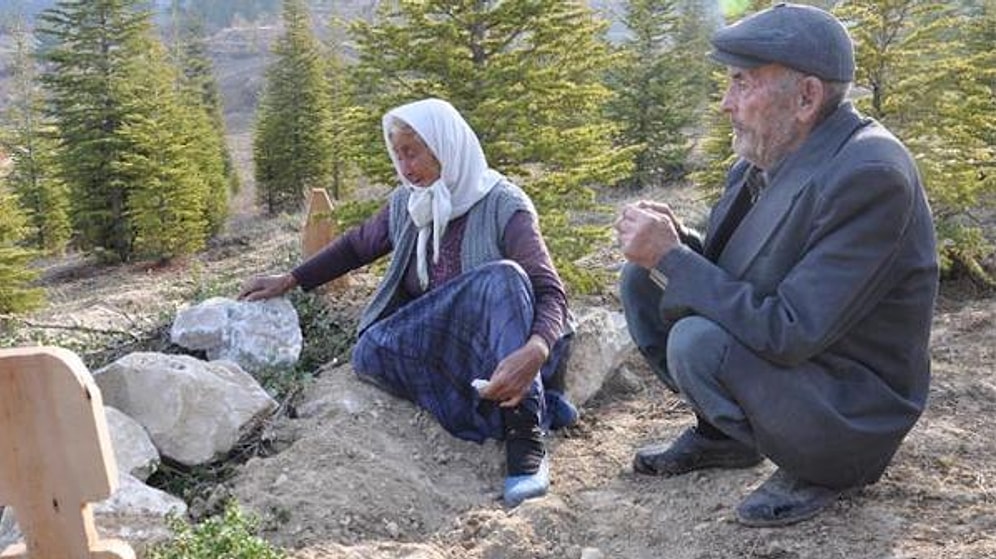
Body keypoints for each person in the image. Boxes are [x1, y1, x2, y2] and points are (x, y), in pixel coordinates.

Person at [615, 3, 938, 527]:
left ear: (807, 96)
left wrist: (673, 257)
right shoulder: (769, 153)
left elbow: (790, 329)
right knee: (644, 280)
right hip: (798, 364)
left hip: (846, 402)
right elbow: (734, 267)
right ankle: (725, 438)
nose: (726, 103)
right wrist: (671, 246)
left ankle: (822, 468)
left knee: (698, 340)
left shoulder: (872, 174)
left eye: (742, 83)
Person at [240, 98, 576, 507]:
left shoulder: (502, 204)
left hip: (505, 345)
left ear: (444, 148)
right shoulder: (408, 202)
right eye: (397, 153)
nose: (404, 166)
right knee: (369, 350)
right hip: (445, 344)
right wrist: (291, 278)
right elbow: (356, 246)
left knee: (501, 278)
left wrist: (536, 351)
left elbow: (549, 290)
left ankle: (525, 437)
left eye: (412, 152)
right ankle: (522, 407)